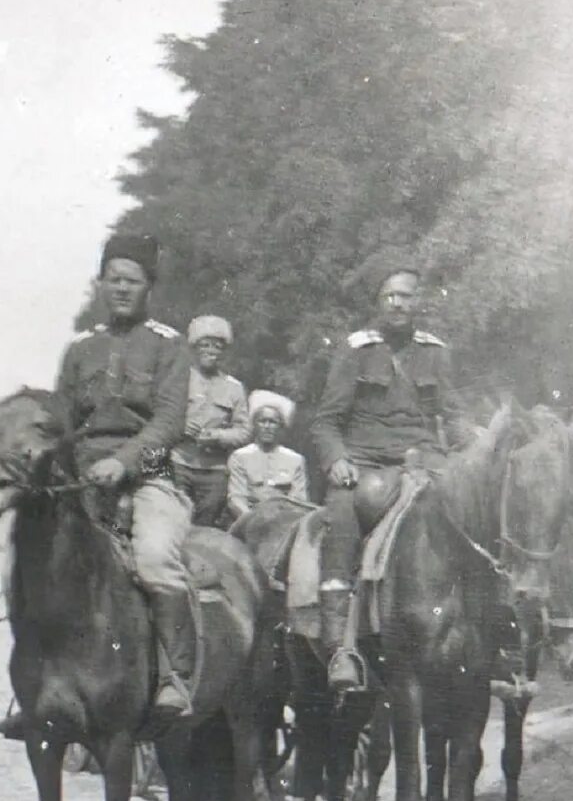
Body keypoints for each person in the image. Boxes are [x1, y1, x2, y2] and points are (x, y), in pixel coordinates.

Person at [0, 233, 196, 740]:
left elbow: (170, 423)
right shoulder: (81, 349)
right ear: (101, 284)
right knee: (24, 566)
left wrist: (125, 462)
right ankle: (31, 687)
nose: (122, 288)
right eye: (114, 279)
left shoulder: (170, 346)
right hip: (79, 481)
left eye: (133, 280)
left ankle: (176, 675)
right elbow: (61, 418)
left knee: (154, 561)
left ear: (149, 286)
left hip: (149, 477)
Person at [310, 267, 472, 692]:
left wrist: (471, 445)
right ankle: (339, 644)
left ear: (418, 302)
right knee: (341, 514)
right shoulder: (356, 350)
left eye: (406, 296)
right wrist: (337, 461)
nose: (398, 304)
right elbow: (326, 421)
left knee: (476, 515)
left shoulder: (435, 352)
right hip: (365, 463)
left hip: (425, 462)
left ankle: (495, 636)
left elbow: (453, 415)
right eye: (389, 296)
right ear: (378, 302)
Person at [171, 315, 251, 527]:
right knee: (174, 523)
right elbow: (160, 416)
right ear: (194, 348)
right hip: (179, 464)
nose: (211, 351)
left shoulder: (234, 388)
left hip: (214, 472)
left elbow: (244, 430)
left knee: (206, 528)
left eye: (217, 347)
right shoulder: (178, 379)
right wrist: (182, 426)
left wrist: (218, 436)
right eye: (205, 345)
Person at [227, 390, 308, 519]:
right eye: (262, 421)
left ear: (281, 426)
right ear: (254, 425)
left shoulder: (295, 460)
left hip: (283, 523)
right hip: (248, 522)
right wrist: (253, 522)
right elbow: (236, 499)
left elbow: (298, 501)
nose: (267, 426)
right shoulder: (240, 457)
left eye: (273, 422)